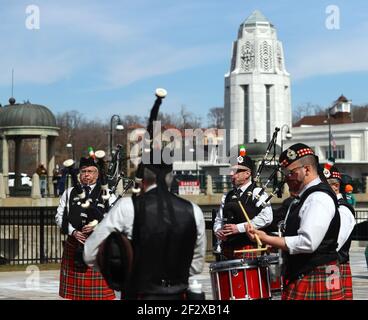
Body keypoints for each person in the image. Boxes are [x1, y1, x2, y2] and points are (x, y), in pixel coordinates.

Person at [83, 160, 206, 300]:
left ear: (143, 180)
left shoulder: (126, 207)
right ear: (171, 178)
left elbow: (90, 253)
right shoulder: (194, 210)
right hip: (178, 295)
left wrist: (120, 274)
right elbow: (197, 265)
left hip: (137, 293)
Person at [246, 143, 344, 300]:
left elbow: (308, 242)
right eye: (285, 173)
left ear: (307, 170)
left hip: (315, 273)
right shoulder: (302, 198)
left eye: (291, 173)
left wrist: (265, 238)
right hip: (305, 273)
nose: (286, 178)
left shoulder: (318, 198)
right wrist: (275, 243)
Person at [55, 156, 116, 300]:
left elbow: (113, 218)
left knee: (99, 296)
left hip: (98, 248)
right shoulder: (69, 192)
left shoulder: (107, 193)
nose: (86, 174)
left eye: (90, 171)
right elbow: (59, 216)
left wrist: (98, 226)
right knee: (75, 296)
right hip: (74, 244)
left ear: (97, 174)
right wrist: (73, 232)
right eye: (83, 171)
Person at [213, 145, 273, 259]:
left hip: (249, 246)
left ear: (247, 173)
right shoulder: (227, 196)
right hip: (228, 247)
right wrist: (218, 231)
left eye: (236, 171)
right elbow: (219, 219)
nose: (232, 174)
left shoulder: (257, 192)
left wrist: (239, 228)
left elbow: (267, 218)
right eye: (231, 170)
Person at [324, 164, 356, 300]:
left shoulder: (343, 210)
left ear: (335, 186)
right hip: (328, 264)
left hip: (334, 266)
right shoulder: (329, 206)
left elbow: (336, 243)